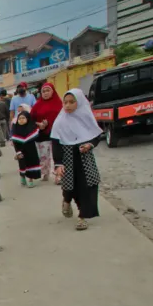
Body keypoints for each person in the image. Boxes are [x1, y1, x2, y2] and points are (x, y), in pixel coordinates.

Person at [51, 88, 103, 231]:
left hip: (84, 157)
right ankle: (66, 200)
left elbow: (96, 135)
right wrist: (58, 163)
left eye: (71, 102)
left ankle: (82, 217)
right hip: (67, 157)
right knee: (69, 186)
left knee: (87, 185)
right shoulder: (60, 121)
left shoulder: (86, 117)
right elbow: (55, 142)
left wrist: (90, 144)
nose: (67, 105)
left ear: (79, 103)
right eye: (65, 102)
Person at [31, 82, 63, 181]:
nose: (45, 93)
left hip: (58, 134)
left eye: (48, 90)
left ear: (53, 91)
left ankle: (59, 175)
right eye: (43, 91)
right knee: (44, 156)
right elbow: (31, 119)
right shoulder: (37, 105)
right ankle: (45, 173)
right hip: (42, 135)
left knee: (58, 155)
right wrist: (38, 124)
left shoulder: (59, 103)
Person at [11, 110, 41, 188]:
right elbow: (15, 143)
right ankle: (22, 177)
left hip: (31, 150)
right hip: (21, 151)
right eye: (19, 118)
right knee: (22, 165)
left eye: (23, 118)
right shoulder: (16, 129)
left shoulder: (32, 127)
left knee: (31, 163)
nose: (21, 120)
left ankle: (30, 179)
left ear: (28, 118)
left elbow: (37, 137)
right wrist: (18, 152)